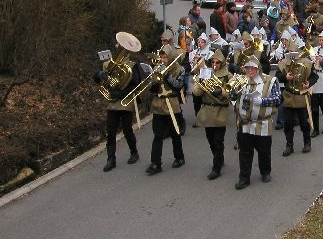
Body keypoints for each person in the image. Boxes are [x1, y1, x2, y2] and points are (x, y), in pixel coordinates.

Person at [93, 32, 147, 172]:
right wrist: (99, 76)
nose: (120, 52)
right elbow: (98, 80)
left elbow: (135, 84)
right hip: (112, 102)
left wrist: (119, 93)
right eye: (119, 49)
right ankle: (111, 159)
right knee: (110, 132)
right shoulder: (108, 64)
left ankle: (134, 152)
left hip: (125, 102)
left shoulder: (132, 65)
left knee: (127, 129)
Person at [233, 56, 281, 189]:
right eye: (248, 68)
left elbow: (277, 99)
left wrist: (263, 101)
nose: (250, 70)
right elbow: (231, 98)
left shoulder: (270, 81)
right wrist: (232, 89)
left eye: (253, 68)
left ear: (258, 68)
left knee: (264, 151)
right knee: (244, 153)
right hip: (244, 123)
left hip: (262, 123)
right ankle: (244, 178)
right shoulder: (242, 81)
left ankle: (265, 172)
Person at [191, 49, 233, 180]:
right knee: (210, 139)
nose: (215, 64)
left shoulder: (228, 75)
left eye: (218, 62)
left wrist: (220, 91)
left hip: (220, 110)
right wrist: (201, 84)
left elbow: (231, 90)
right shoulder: (206, 73)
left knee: (218, 140)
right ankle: (218, 158)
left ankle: (216, 168)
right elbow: (196, 93)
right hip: (207, 110)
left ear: (222, 63)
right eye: (213, 62)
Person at [145, 45, 186, 175]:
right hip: (158, 104)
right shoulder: (157, 68)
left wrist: (167, 75)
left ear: (171, 57)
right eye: (161, 57)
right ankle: (156, 163)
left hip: (172, 104)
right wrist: (155, 84)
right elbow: (151, 88)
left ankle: (179, 157)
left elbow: (178, 85)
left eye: (165, 57)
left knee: (175, 133)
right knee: (157, 135)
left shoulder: (180, 69)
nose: (162, 60)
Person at [276, 43, 317, 156]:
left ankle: (307, 143)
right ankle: (289, 146)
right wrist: (285, 77)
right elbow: (277, 76)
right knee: (288, 123)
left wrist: (309, 83)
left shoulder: (306, 63)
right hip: (289, 96)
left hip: (301, 96)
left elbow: (314, 76)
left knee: (304, 123)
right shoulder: (283, 63)